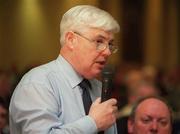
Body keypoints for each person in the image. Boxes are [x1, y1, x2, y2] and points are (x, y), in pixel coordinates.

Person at [9, 5, 120, 134]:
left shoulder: (98, 87)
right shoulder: (38, 84)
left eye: (110, 44)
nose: (107, 52)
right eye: (99, 41)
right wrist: (93, 123)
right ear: (71, 40)